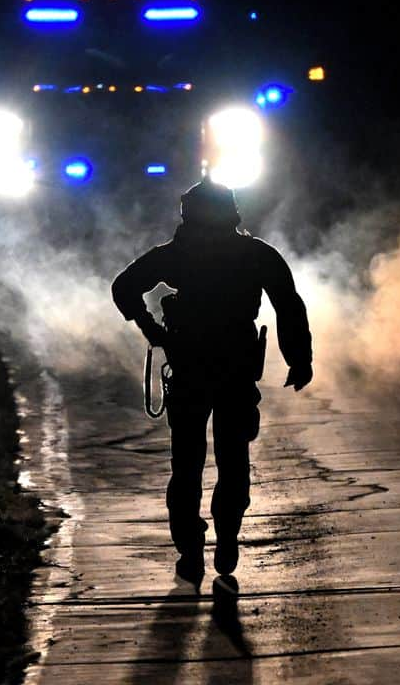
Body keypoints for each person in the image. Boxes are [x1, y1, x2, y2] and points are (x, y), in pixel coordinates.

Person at [112, 177, 313, 593]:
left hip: (191, 371)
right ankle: (226, 539)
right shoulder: (256, 254)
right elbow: (288, 304)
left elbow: (124, 287)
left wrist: (151, 328)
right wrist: (299, 358)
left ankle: (191, 548)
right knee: (232, 460)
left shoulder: (177, 254)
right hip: (235, 372)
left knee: (187, 464)